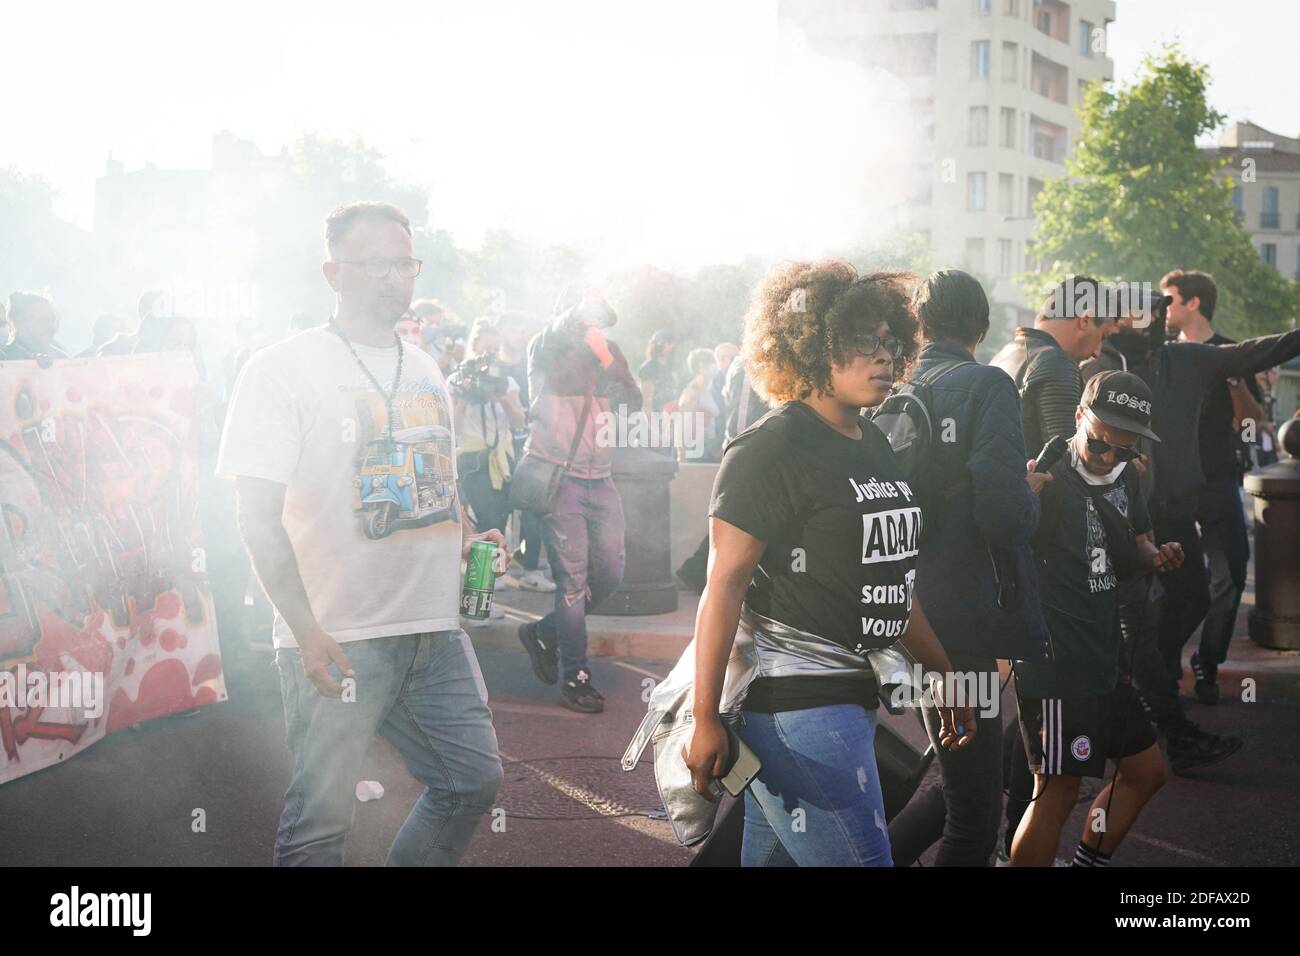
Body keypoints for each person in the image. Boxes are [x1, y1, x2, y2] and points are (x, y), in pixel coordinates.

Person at [217, 201, 505, 866]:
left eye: (405, 263)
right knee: (321, 819)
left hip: (432, 630)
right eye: (376, 263)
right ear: (332, 272)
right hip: (339, 636)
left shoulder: (429, 367)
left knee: (471, 781)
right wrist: (304, 628)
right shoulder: (279, 368)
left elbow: (439, 475)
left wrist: (466, 535)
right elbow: (254, 515)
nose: (395, 277)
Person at [683, 261, 975, 867]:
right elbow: (723, 587)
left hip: (851, 697)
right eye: (863, 342)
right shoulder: (769, 449)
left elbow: (894, 580)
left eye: (892, 342)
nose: (885, 357)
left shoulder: (872, 441)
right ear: (811, 346)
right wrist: (704, 717)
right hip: (793, 705)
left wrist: (943, 672)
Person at [885, 270, 1051, 867]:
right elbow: (1003, 513)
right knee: (975, 812)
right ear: (981, 329)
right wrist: (1031, 489)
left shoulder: (890, 387)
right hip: (966, 617)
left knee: (957, 785)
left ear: (920, 325)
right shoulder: (987, 385)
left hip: (904, 609)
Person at [1125, 269, 1300, 772]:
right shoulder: (1102, 365)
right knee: (1130, 619)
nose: (1151, 319)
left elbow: (1255, 353)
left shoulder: (1189, 360)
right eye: (1141, 312)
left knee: (1193, 598)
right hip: (1125, 515)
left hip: (1177, 508)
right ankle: (1155, 713)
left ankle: (1151, 687)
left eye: (1158, 309)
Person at [1011, 372, 1183, 867]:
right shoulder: (1042, 475)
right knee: (1057, 791)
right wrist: (1023, 499)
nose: (1109, 457)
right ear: (1078, 417)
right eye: (1100, 443)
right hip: (1059, 661)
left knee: (1147, 772)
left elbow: (1138, 540)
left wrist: (1156, 554)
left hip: (1106, 657)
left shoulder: (1127, 476)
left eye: (1124, 450)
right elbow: (996, 547)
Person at [515, 284, 641, 713]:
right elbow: (558, 330)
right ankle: (576, 677)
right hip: (561, 478)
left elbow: (633, 402)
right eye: (584, 316)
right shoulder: (546, 348)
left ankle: (543, 632)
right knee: (572, 584)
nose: (592, 324)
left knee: (610, 576)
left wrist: (608, 359)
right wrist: (578, 317)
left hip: (601, 480)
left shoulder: (606, 351)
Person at [1164, 271, 1265, 705]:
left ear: (1193, 303)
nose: (1159, 309)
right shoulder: (1162, 354)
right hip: (1173, 487)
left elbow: (1252, 424)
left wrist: (1235, 381)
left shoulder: (1231, 352)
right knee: (1172, 582)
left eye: (1167, 300)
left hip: (1220, 482)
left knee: (1230, 576)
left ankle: (1208, 661)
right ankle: (1163, 663)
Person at [989, 276, 1120, 458]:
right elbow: (1069, 457)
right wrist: (1121, 463)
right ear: (1085, 320)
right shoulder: (1056, 364)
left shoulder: (1004, 354)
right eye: (1102, 336)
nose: (1097, 353)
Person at [495, 313, 553, 592]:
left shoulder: (533, 363)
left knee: (533, 508)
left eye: (521, 327)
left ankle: (530, 570)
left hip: (529, 443)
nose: (517, 333)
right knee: (490, 517)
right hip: (487, 450)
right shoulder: (485, 367)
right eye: (512, 326)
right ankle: (480, 594)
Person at [1, 291, 69, 362]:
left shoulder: (62, 359)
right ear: (20, 322)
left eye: (53, 319)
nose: (52, 327)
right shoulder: (4, 360)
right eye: (43, 320)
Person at [638, 329, 677, 419]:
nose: (672, 346)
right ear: (659, 345)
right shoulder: (648, 368)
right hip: (658, 416)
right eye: (668, 343)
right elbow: (646, 400)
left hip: (673, 416)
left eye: (671, 343)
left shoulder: (671, 366)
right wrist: (653, 426)